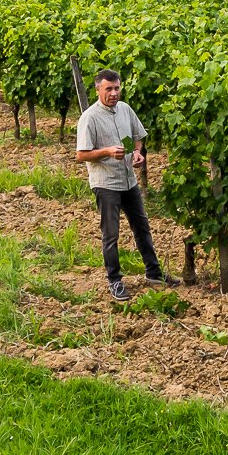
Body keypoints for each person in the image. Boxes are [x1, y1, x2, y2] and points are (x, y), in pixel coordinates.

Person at [75, 68, 175, 300]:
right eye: (108, 88)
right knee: (111, 234)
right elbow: (81, 154)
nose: (113, 93)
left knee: (142, 227)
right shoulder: (90, 117)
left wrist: (136, 153)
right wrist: (107, 151)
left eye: (117, 88)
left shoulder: (125, 110)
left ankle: (153, 272)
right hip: (106, 182)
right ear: (98, 89)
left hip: (128, 180)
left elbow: (134, 137)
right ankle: (115, 281)